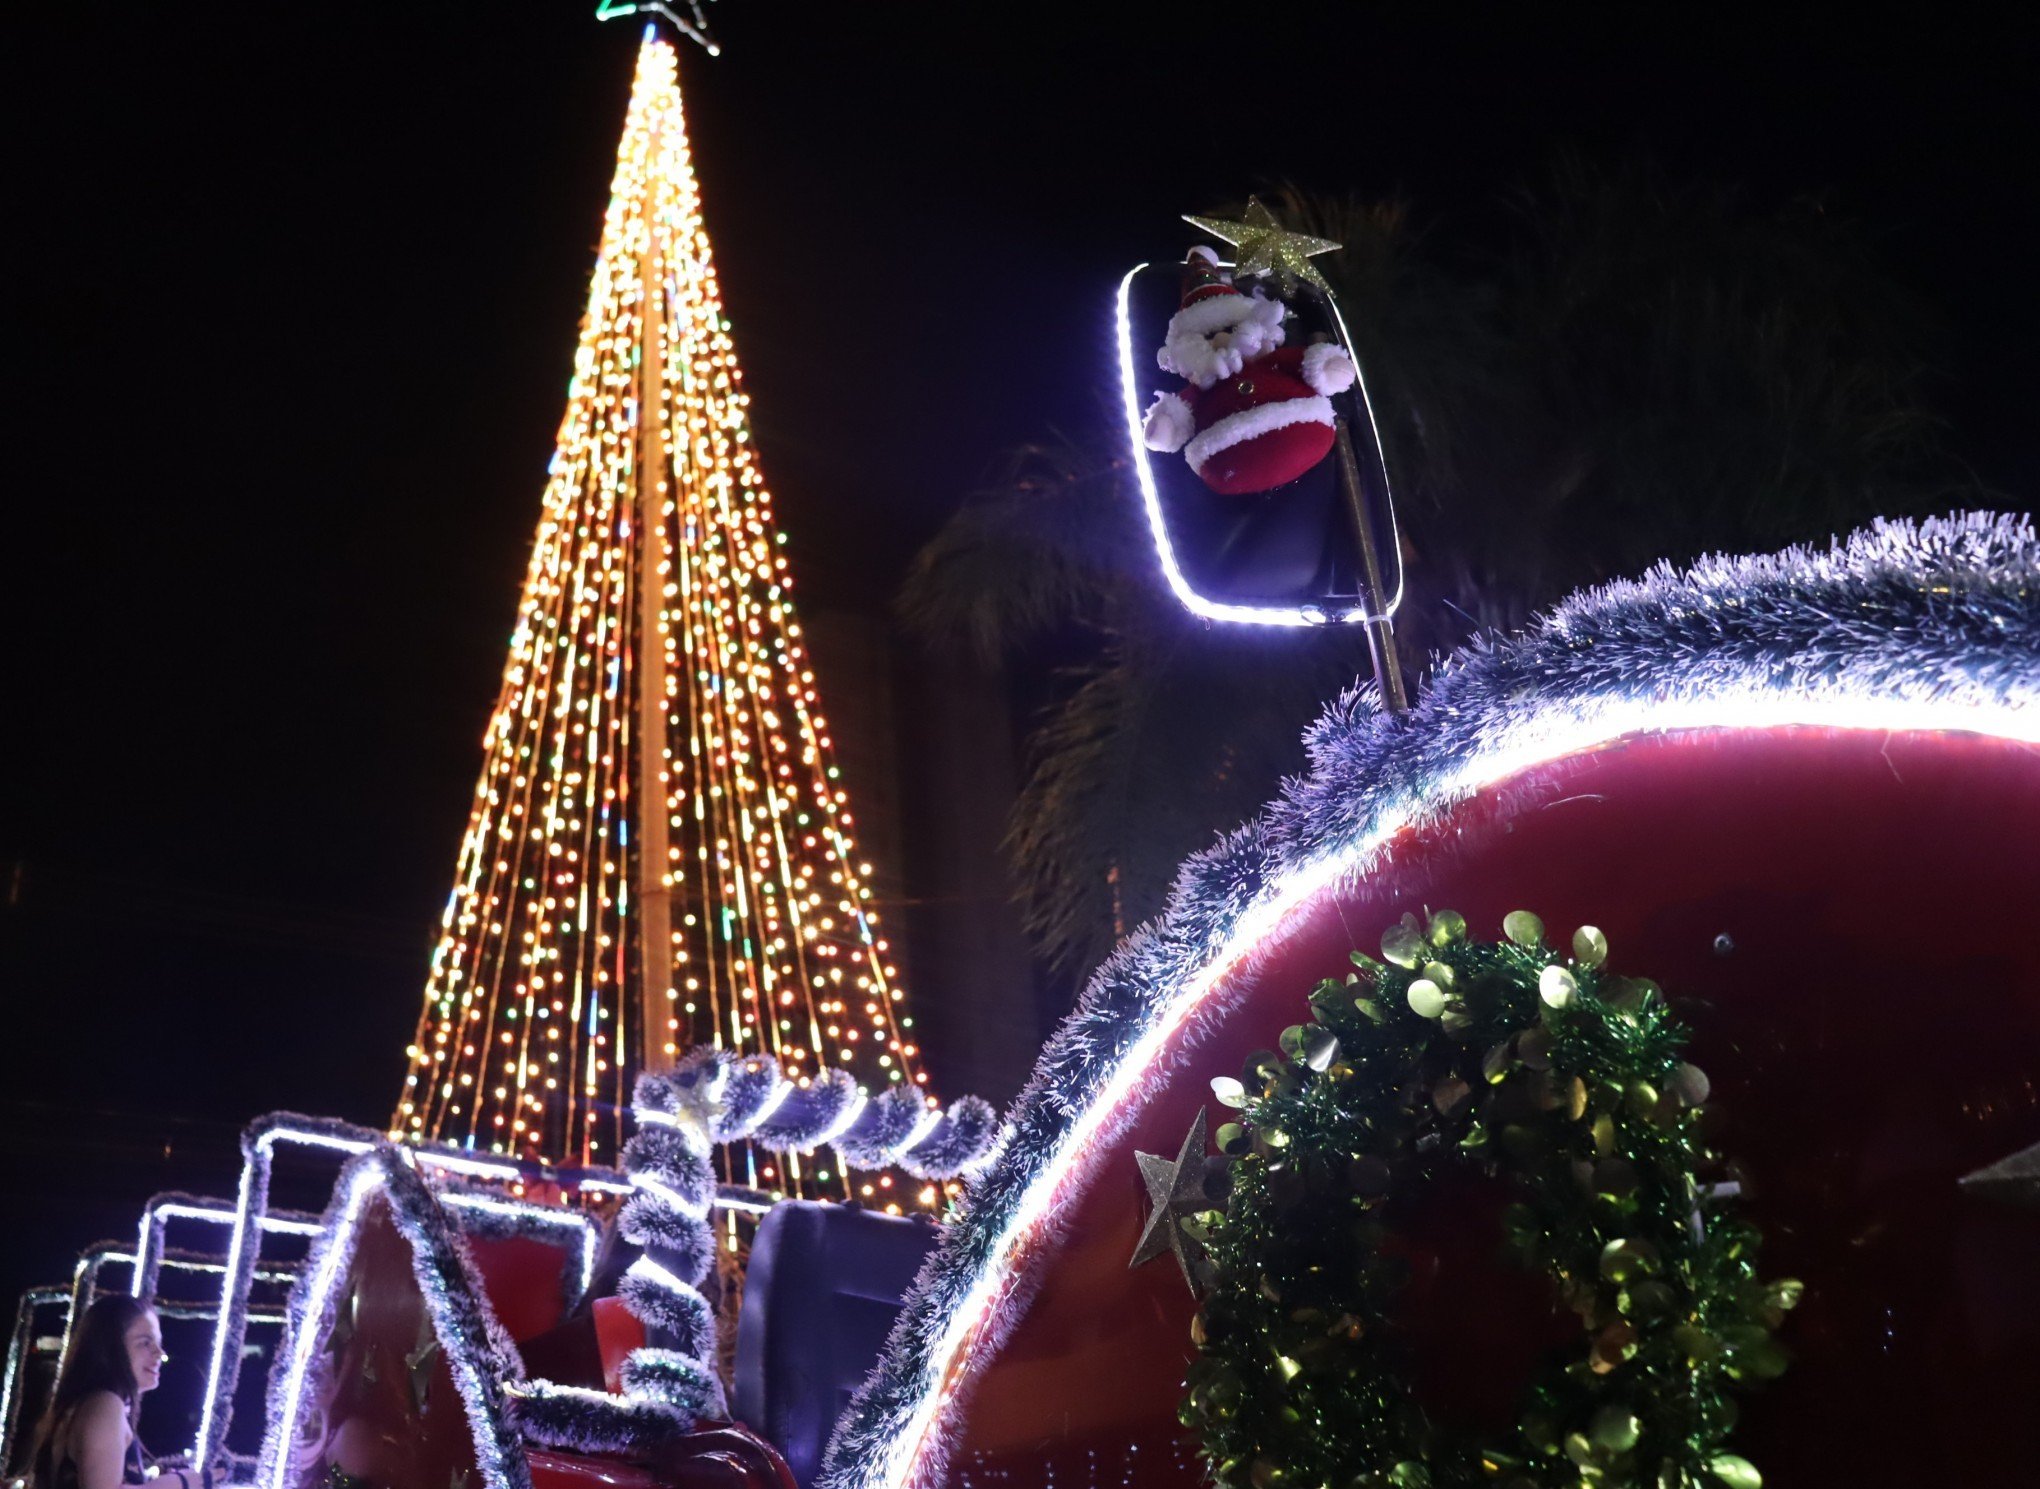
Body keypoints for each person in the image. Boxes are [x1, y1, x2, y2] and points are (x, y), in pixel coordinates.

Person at [26, 1294, 210, 1489]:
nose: (160, 1353)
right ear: (111, 1347)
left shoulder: (86, 1404)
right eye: (145, 1343)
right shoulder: (105, 1404)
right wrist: (178, 1483)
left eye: (158, 1343)